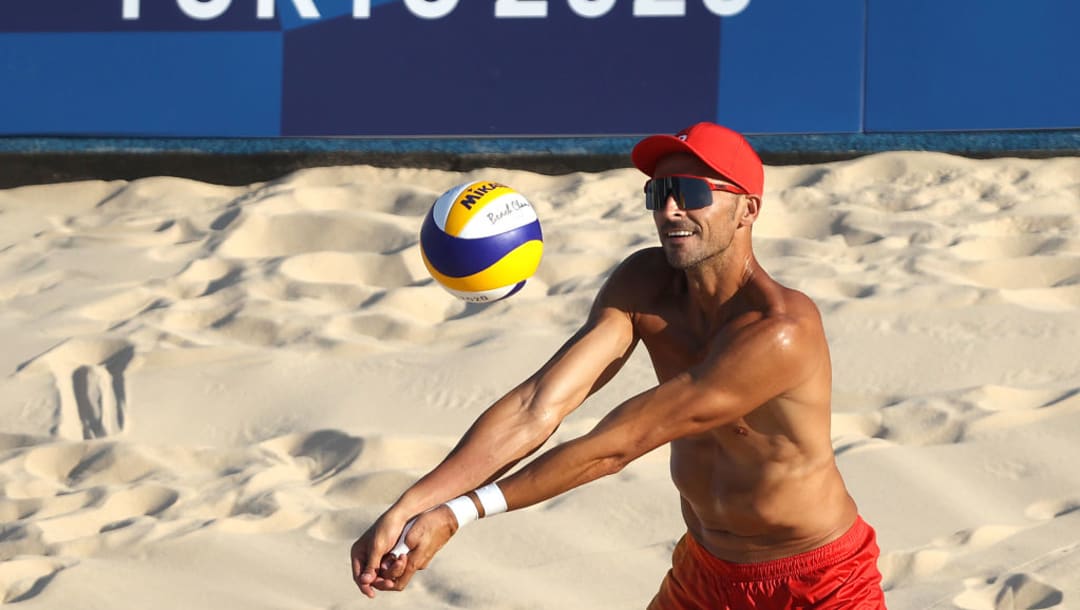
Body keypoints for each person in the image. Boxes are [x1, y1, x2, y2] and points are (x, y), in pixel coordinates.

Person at [350, 122, 887, 609]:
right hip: (706, 571)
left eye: (692, 193)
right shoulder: (645, 284)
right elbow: (537, 406)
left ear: (747, 209)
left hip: (818, 583)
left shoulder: (780, 330)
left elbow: (618, 445)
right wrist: (414, 502)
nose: (670, 209)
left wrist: (458, 513)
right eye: (659, 192)